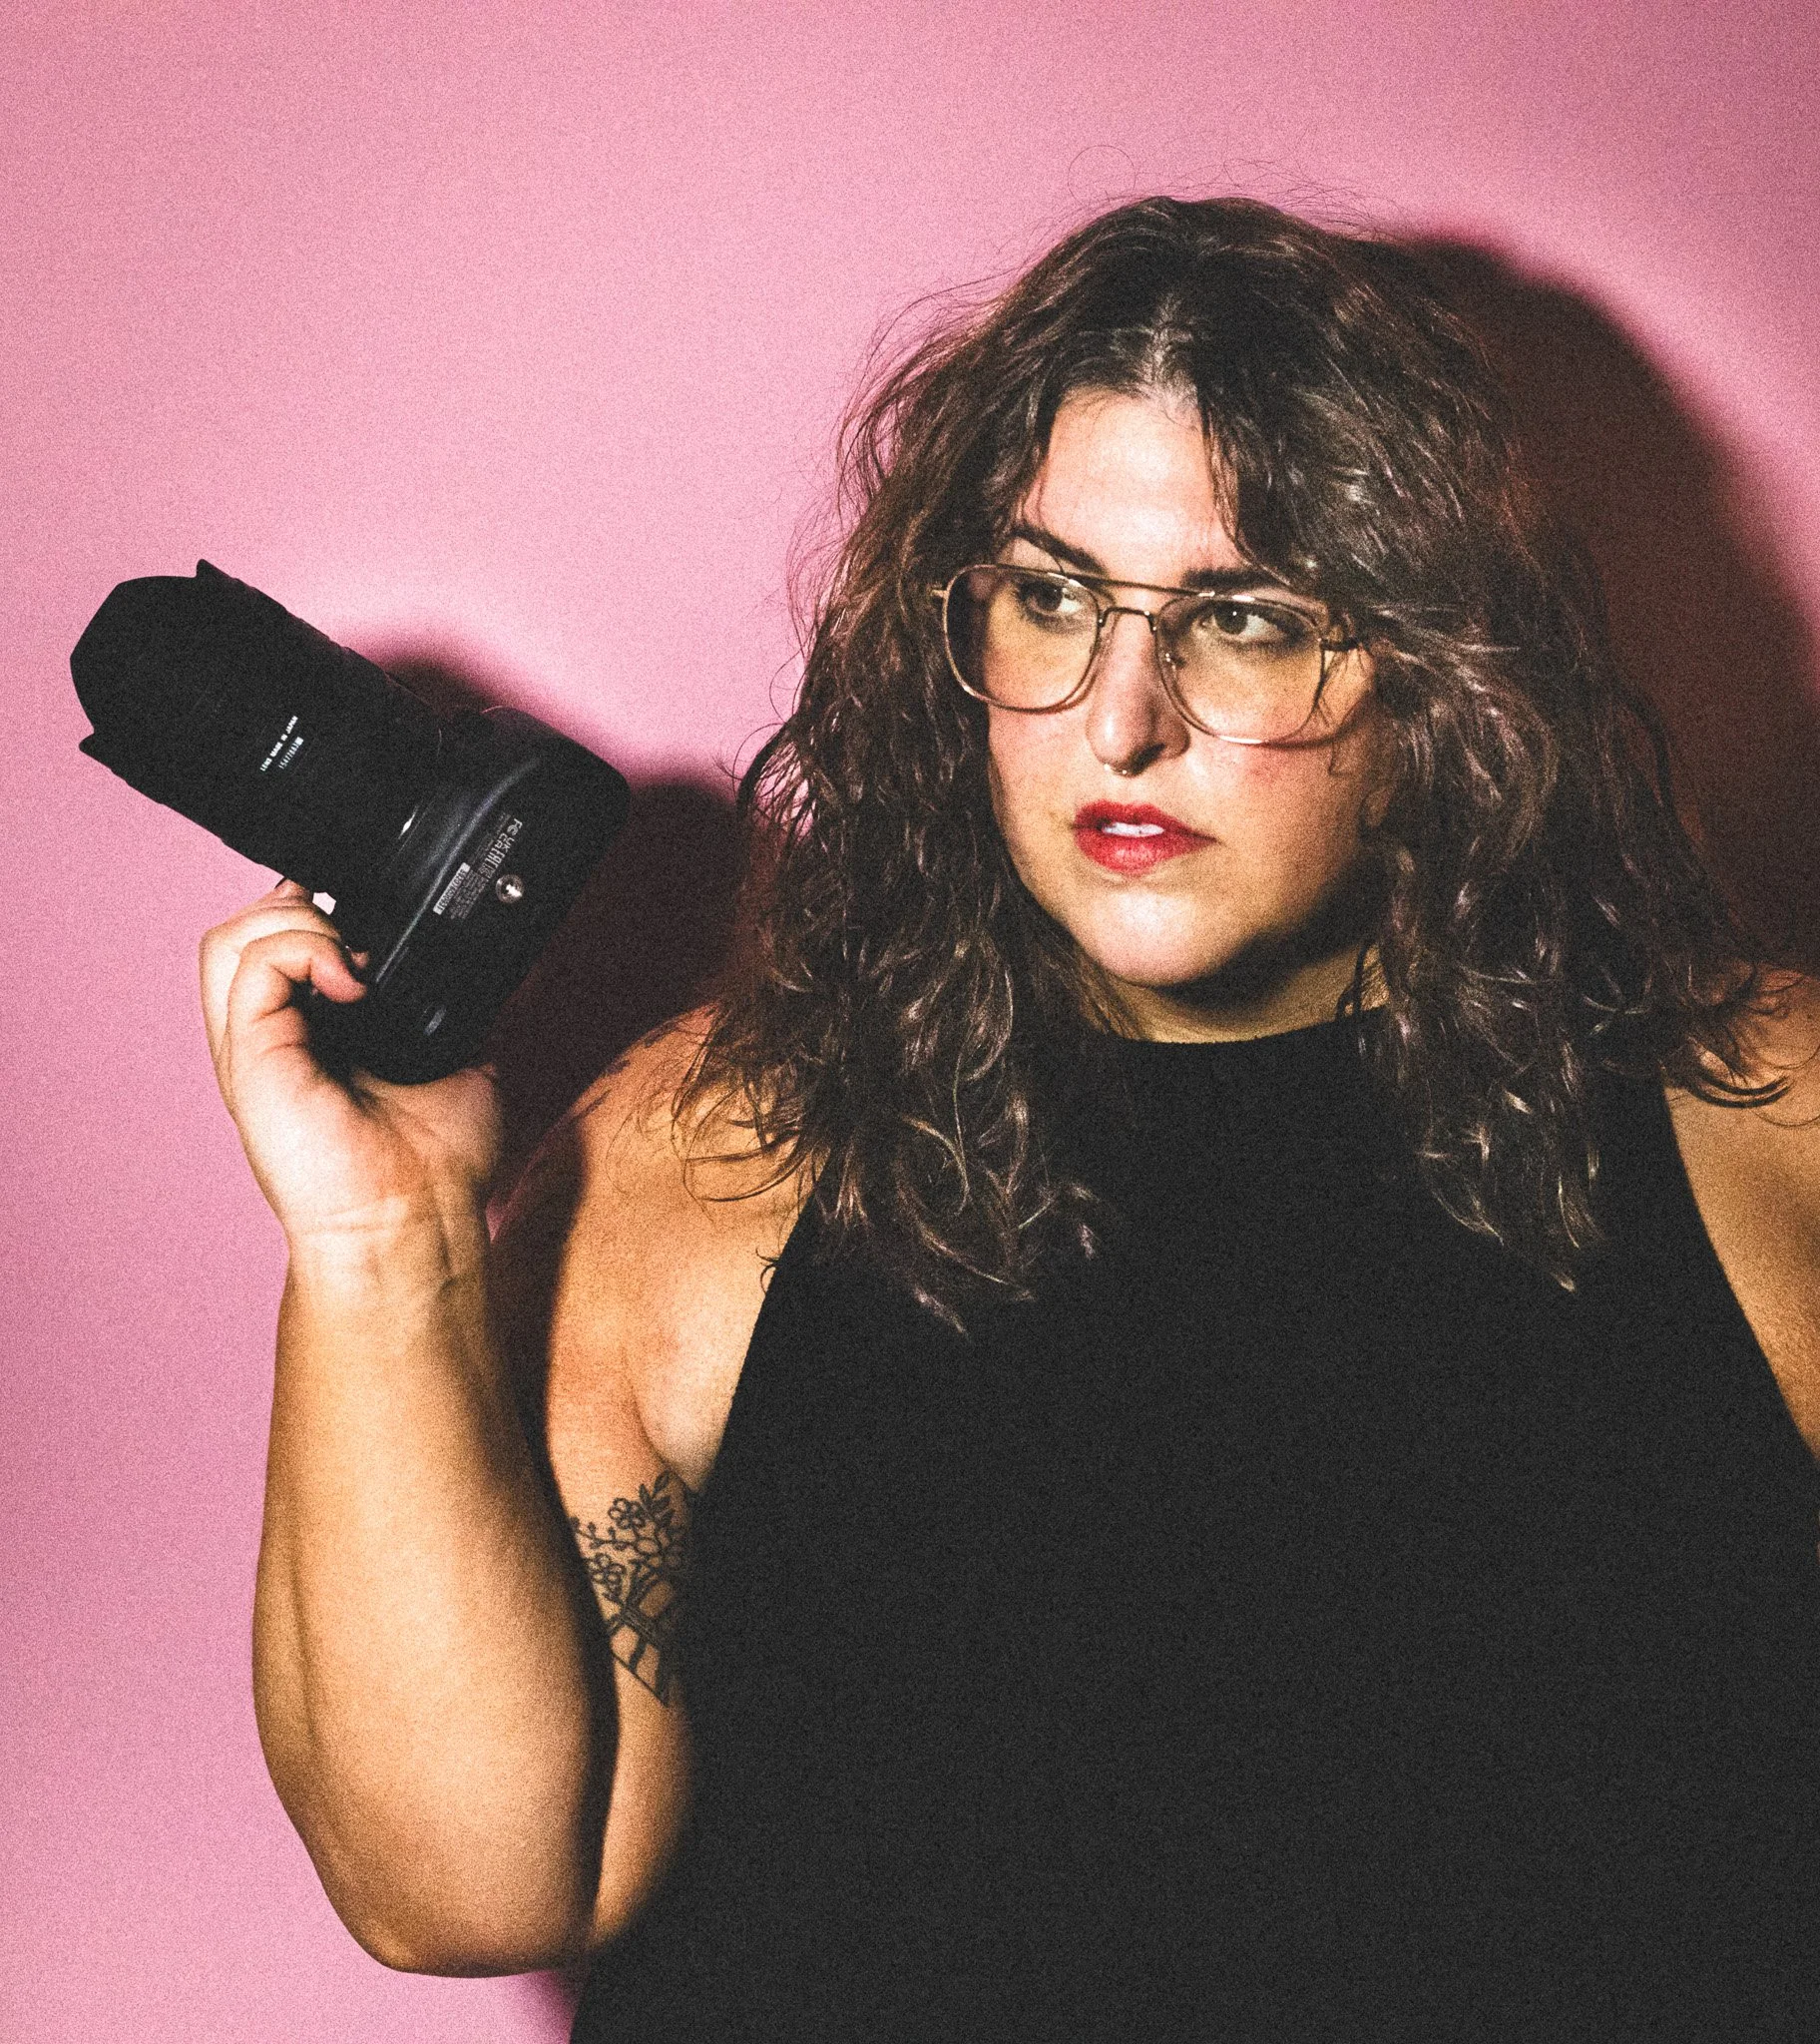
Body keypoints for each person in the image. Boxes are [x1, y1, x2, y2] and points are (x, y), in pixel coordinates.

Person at [201, 197, 1820, 2039]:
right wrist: (383, 1247)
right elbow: (471, 1888)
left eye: (1246, 616)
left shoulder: (1759, 1126)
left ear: (1445, 674)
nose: (1119, 721)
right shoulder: (711, 1150)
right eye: (1050, 597)